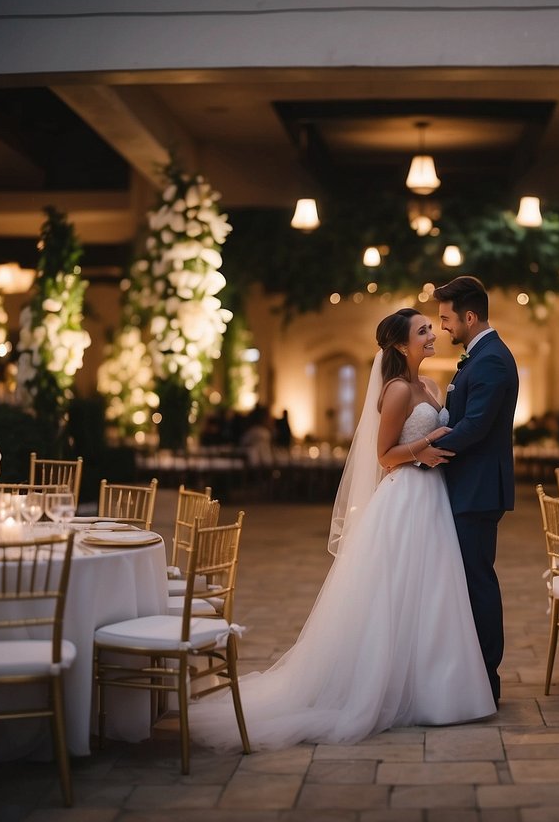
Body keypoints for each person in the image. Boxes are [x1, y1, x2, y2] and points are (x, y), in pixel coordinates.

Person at [190, 308, 495, 751]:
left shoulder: (428, 386)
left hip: (432, 500)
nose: (432, 335)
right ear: (399, 344)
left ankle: (435, 687)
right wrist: (424, 448)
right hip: (406, 495)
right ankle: (384, 686)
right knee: (395, 592)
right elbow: (384, 455)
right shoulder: (394, 391)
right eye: (423, 331)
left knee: (432, 592)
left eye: (431, 328)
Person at [432, 276, 519, 705]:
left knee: (477, 581)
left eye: (447, 319)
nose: (444, 327)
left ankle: (487, 677)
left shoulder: (490, 361)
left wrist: (420, 450)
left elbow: (475, 426)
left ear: (469, 316)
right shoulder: (479, 356)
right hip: (468, 485)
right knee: (467, 580)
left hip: (478, 489)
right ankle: (471, 671)